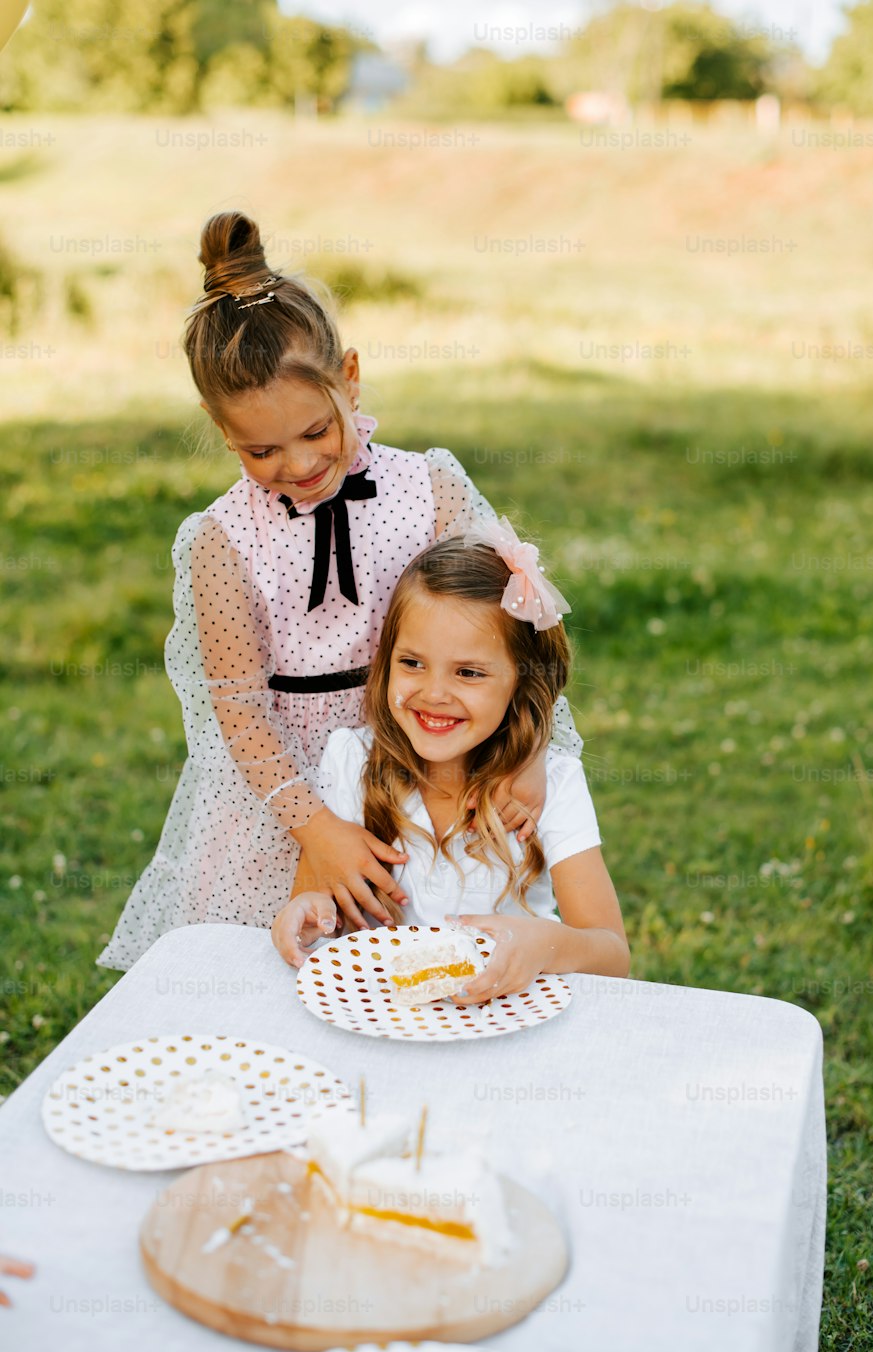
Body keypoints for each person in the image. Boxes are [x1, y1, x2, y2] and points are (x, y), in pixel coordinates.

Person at [97, 212, 582, 972]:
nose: (298, 464)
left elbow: (516, 620)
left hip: (421, 757)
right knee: (276, 973)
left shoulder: (429, 488)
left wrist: (530, 752)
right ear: (218, 428)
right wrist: (317, 828)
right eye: (262, 449)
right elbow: (240, 714)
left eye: (318, 430)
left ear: (349, 378)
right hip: (283, 797)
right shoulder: (223, 543)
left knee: (418, 966)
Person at [271, 529, 629, 1001]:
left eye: (468, 672)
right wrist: (304, 913)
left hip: (508, 1024)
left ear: (522, 683)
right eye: (413, 663)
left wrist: (542, 946)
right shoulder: (350, 759)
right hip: (386, 1020)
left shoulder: (554, 786)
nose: (434, 693)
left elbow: (613, 956)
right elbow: (317, 896)